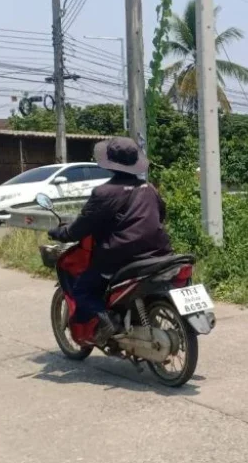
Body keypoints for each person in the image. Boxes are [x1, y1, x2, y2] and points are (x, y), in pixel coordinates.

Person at [48, 137, 173, 344]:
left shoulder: (104, 193)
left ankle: (106, 321)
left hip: (119, 259)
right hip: (159, 253)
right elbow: (161, 214)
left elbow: (81, 227)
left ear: (110, 163)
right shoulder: (149, 188)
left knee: (82, 290)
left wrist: (61, 233)